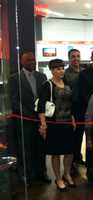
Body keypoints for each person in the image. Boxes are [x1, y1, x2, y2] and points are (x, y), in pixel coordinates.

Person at [9, 52, 50, 185]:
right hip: (24, 120)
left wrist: (41, 113)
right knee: (25, 148)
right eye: (29, 60)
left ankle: (42, 172)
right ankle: (25, 174)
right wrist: (28, 115)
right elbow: (14, 101)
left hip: (41, 119)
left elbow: (45, 98)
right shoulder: (14, 78)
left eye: (34, 59)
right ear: (22, 61)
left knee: (41, 146)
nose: (32, 62)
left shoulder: (42, 76)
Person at [38, 59, 76, 191]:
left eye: (62, 68)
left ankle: (66, 173)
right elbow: (41, 106)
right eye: (58, 69)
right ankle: (58, 178)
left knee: (70, 151)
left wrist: (72, 119)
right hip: (54, 124)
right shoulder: (47, 85)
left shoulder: (67, 83)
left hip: (67, 122)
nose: (61, 71)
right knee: (56, 153)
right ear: (52, 70)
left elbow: (71, 103)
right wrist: (43, 124)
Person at [63, 49, 85, 166]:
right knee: (72, 136)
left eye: (78, 56)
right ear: (69, 58)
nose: (76, 58)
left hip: (83, 107)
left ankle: (78, 156)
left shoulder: (84, 71)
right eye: (73, 56)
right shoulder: (65, 74)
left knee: (81, 134)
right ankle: (70, 163)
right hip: (72, 108)